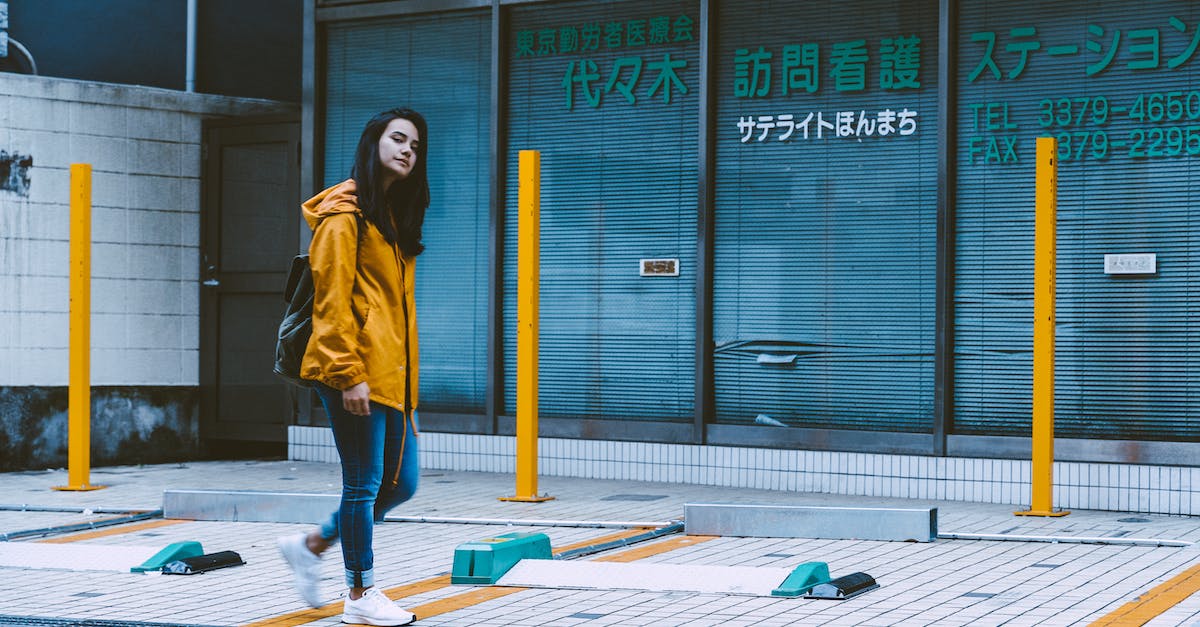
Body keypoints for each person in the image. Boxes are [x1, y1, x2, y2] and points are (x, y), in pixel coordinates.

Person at [277, 108, 428, 627]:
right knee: (362, 484)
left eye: (415, 144)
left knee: (401, 484)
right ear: (374, 144)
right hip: (355, 371)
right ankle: (360, 593)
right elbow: (331, 303)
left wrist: (405, 389)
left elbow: (393, 313)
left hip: (392, 377)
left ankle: (313, 544)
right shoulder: (345, 217)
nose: (409, 149)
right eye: (399, 139)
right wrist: (348, 374)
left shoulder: (389, 219)